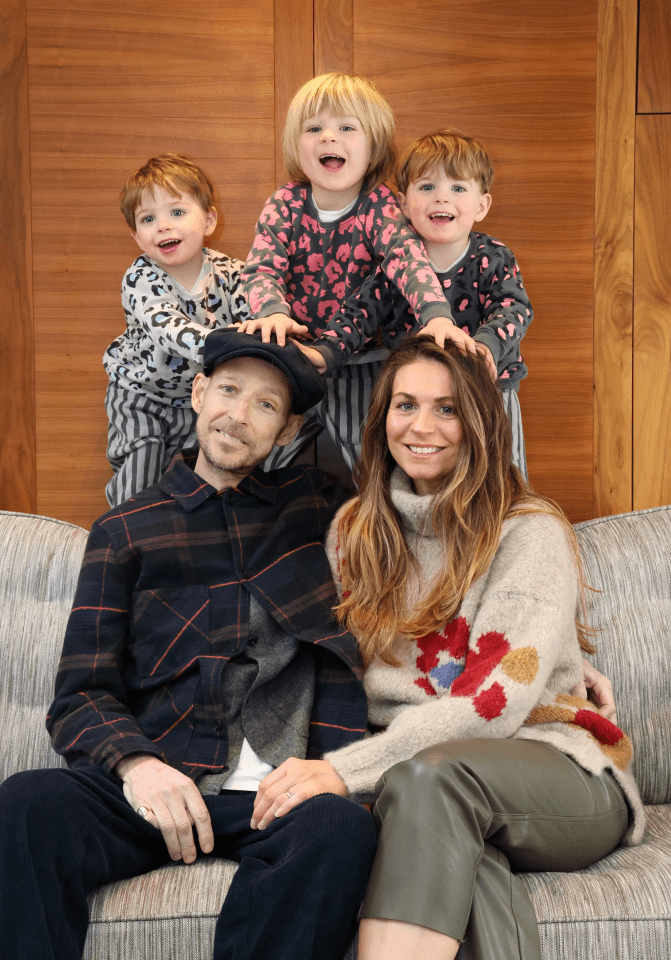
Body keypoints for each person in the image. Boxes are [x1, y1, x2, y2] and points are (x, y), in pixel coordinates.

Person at [251, 335, 645, 960]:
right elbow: (324, 666)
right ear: (381, 421)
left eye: (448, 408)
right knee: (445, 834)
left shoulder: (527, 531)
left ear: (480, 424)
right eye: (405, 405)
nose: (422, 426)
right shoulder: (354, 532)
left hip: (559, 769)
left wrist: (343, 772)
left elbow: (494, 701)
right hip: (418, 780)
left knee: (431, 782)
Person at [0, 329, 377, 960]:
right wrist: (139, 766)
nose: (238, 415)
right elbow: (81, 694)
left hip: (283, 796)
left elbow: (433, 541)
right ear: (199, 393)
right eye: (228, 390)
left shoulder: (321, 511)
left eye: (266, 405)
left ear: (286, 432)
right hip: (160, 780)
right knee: (26, 804)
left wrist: (549, 664)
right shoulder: (126, 530)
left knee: (340, 827)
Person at [238, 73, 470, 473]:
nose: (329, 137)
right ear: (297, 144)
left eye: (346, 127)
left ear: (373, 146)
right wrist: (274, 311)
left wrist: (436, 313)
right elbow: (261, 267)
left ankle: (380, 525)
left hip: (360, 361)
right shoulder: (285, 203)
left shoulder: (378, 206)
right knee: (265, 453)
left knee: (367, 454)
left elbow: (407, 258)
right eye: (314, 128)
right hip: (293, 355)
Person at [311, 129, 533, 477]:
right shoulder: (398, 263)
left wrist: (486, 347)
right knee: (407, 476)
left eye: (458, 188)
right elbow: (360, 313)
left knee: (501, 475)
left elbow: (514, 308)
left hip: (488, 391)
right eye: (427, 187)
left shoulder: (493, 256)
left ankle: (505, 525)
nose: (441, 199)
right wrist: (326, 352)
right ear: (402, 204)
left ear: (481, 205)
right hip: (419, 400)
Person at [103, 154, 248, 507]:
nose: (163, 226)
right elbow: (168, 327)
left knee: (206, 480)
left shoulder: (232, 272)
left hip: (196, 400)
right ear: (138, 237)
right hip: (141, 395)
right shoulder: (140, 278)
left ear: (209, 220)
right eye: (149, 219)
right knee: (141, 468)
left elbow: (252, 321)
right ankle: (119, 539)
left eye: (177, 212)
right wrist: (224, 342)